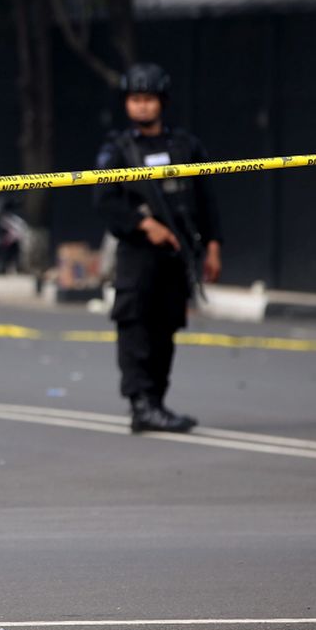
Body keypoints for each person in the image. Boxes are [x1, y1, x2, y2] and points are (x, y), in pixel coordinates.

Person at [94, 62, 223, 434]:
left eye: (149, 99)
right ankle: (140, 404)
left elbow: (205, 198)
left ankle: (157, 403)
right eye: (136, 99)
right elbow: (104, 200)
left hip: (175, 254)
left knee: (165, 329)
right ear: (126, 104)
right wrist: (143, 224)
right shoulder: (118, 150)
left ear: (161, 102)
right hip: (137, 256)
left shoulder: (185, 146)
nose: (143, 107)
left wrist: (213, 245)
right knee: (135, 328)